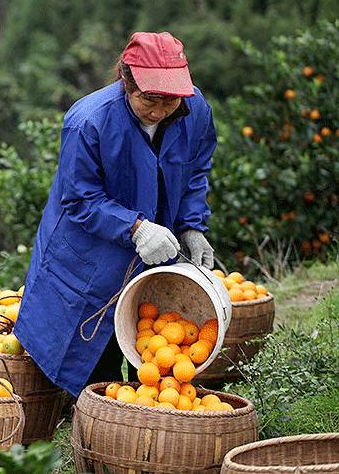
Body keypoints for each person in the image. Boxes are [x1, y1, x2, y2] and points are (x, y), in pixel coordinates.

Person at [13, 32, 217, 397]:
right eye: (149, 101)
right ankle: (86, 430)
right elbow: (80, 199)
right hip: (88, 254)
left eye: (169, 103)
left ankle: (139, 429)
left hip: (154, 252)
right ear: (126, 83)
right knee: (92, 359)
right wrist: (136, 228)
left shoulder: (195, 111)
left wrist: (191, 226)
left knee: (153, 349)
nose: (159, 111)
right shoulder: (89, 122)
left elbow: (196, 170)